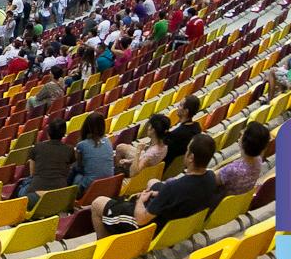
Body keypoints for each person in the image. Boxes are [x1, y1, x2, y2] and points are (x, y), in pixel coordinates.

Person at [91, 133, 219, 236]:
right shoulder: (211, 178)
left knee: (98, 203)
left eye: (187, 150)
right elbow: (181, 195)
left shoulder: (173, 187)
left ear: (191, 157)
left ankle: (103, 246)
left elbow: (141, 219)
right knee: (153, 182)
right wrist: (159, 194)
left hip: (151, 225)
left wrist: (141, 201)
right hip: (174, 221)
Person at [18, 119, 77, 204]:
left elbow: (32, 173)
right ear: (64, 134)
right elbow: (67, 172)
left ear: (48, 133)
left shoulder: (37, 147)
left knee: (21, 188)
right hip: (59, 194)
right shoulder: (70, 150)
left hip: (35, 195)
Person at [214, 121, 270, 197]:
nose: (241, 133)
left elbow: (212, 180)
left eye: (243, 133)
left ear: (244, 141)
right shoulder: (258, 161)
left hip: (220, 201)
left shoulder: (232, 170)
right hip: (237, 200)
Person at [73, 112, 116, 188]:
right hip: (108, 182)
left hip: (91, 186)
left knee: (76, 176)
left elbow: (79, 167)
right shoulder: (108, 141)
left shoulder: (82, 145)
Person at [162, 96, 202, 168]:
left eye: (180, 105)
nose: (178, 106)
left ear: (186, 111)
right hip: (177, 169)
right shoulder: (197, 128)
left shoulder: (176, 135)